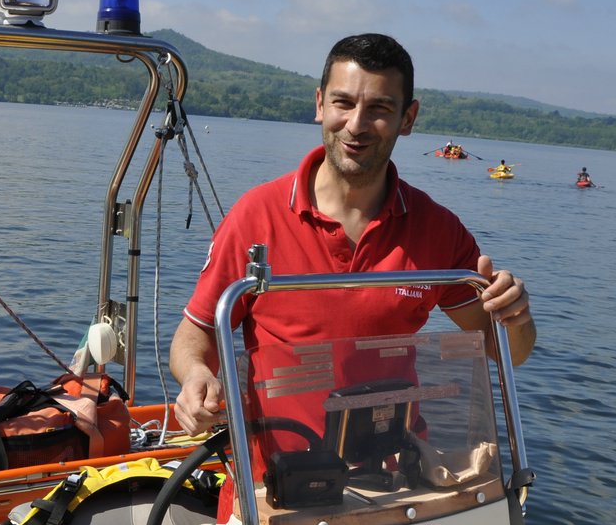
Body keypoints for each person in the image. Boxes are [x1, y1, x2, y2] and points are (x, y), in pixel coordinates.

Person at [169, 32, 534, 437]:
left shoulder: (437, 229)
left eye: (379, 107)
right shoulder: (257, 216)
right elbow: (197, 331)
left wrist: (514, 319)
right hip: (274, 483)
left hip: (398, 474)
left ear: (407, 118)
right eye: (343, 103)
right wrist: (197, 374)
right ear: (320, 104)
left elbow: (503, 351)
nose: (356, 125)